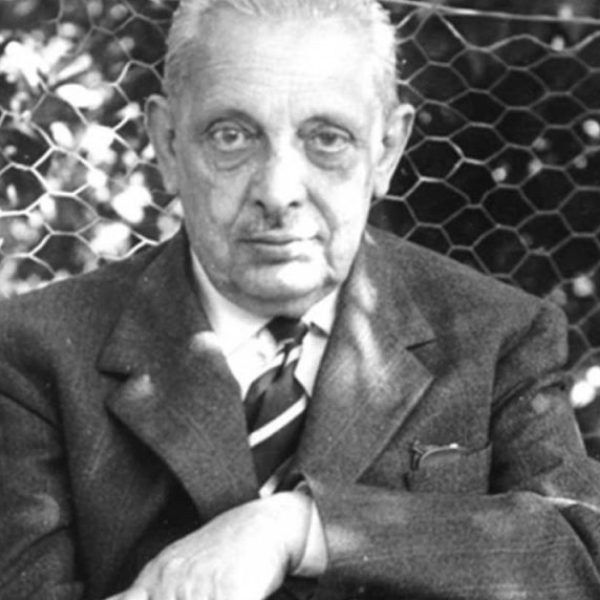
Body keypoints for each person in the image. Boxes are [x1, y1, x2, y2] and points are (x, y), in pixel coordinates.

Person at [1, 0, 600, 598]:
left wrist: (301, 528)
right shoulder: (35, 353)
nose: (279, 190)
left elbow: (580, 552)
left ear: (388, 149)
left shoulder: (496, 336)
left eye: (328, 139)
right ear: (167, 143)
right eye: (232, 136)